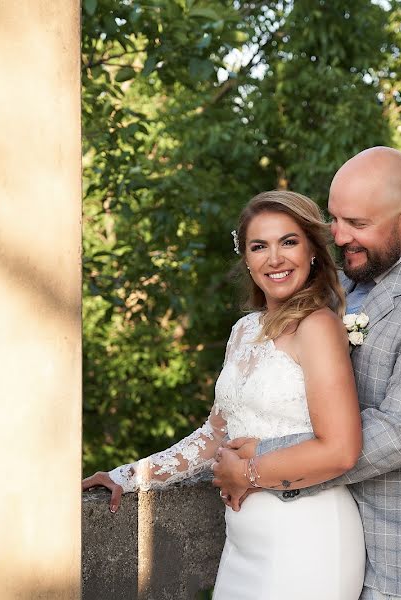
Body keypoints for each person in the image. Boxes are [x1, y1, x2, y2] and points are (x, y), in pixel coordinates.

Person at [214, 147, 401, 600]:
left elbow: (400, 432)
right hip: (324, 530)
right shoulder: (341, 282)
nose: (339, 237)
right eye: (335, 219)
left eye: (357, 224)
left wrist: (258, 464)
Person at [81, 190, 367, 599]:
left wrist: (248, 473)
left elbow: (341, 450)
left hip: (307, 538)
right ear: (246, 259)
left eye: (289, 242)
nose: (275, 258)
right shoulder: (244, 331)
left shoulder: (317, 326)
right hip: (244, 546)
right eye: (259, 246)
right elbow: (213, 435)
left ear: (313, 251)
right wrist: (126, 476)